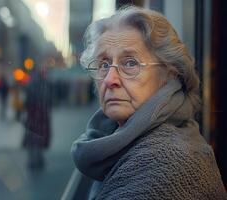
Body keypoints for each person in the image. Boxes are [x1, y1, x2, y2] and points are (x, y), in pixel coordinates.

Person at [71, 6, 227, 199]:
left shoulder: (171, 164)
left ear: (169, 75)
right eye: (104, 64)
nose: (110, 79)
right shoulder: (113, 138)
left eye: (130, 63)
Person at [22, 68, 52, 169]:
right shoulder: (44, 86)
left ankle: (33, 159)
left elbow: (27, 102)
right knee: (38, 137)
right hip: (40, 115)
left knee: (33, 138)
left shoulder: (31, 86)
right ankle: (38, 158)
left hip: (34, 115)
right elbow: (48, 100)